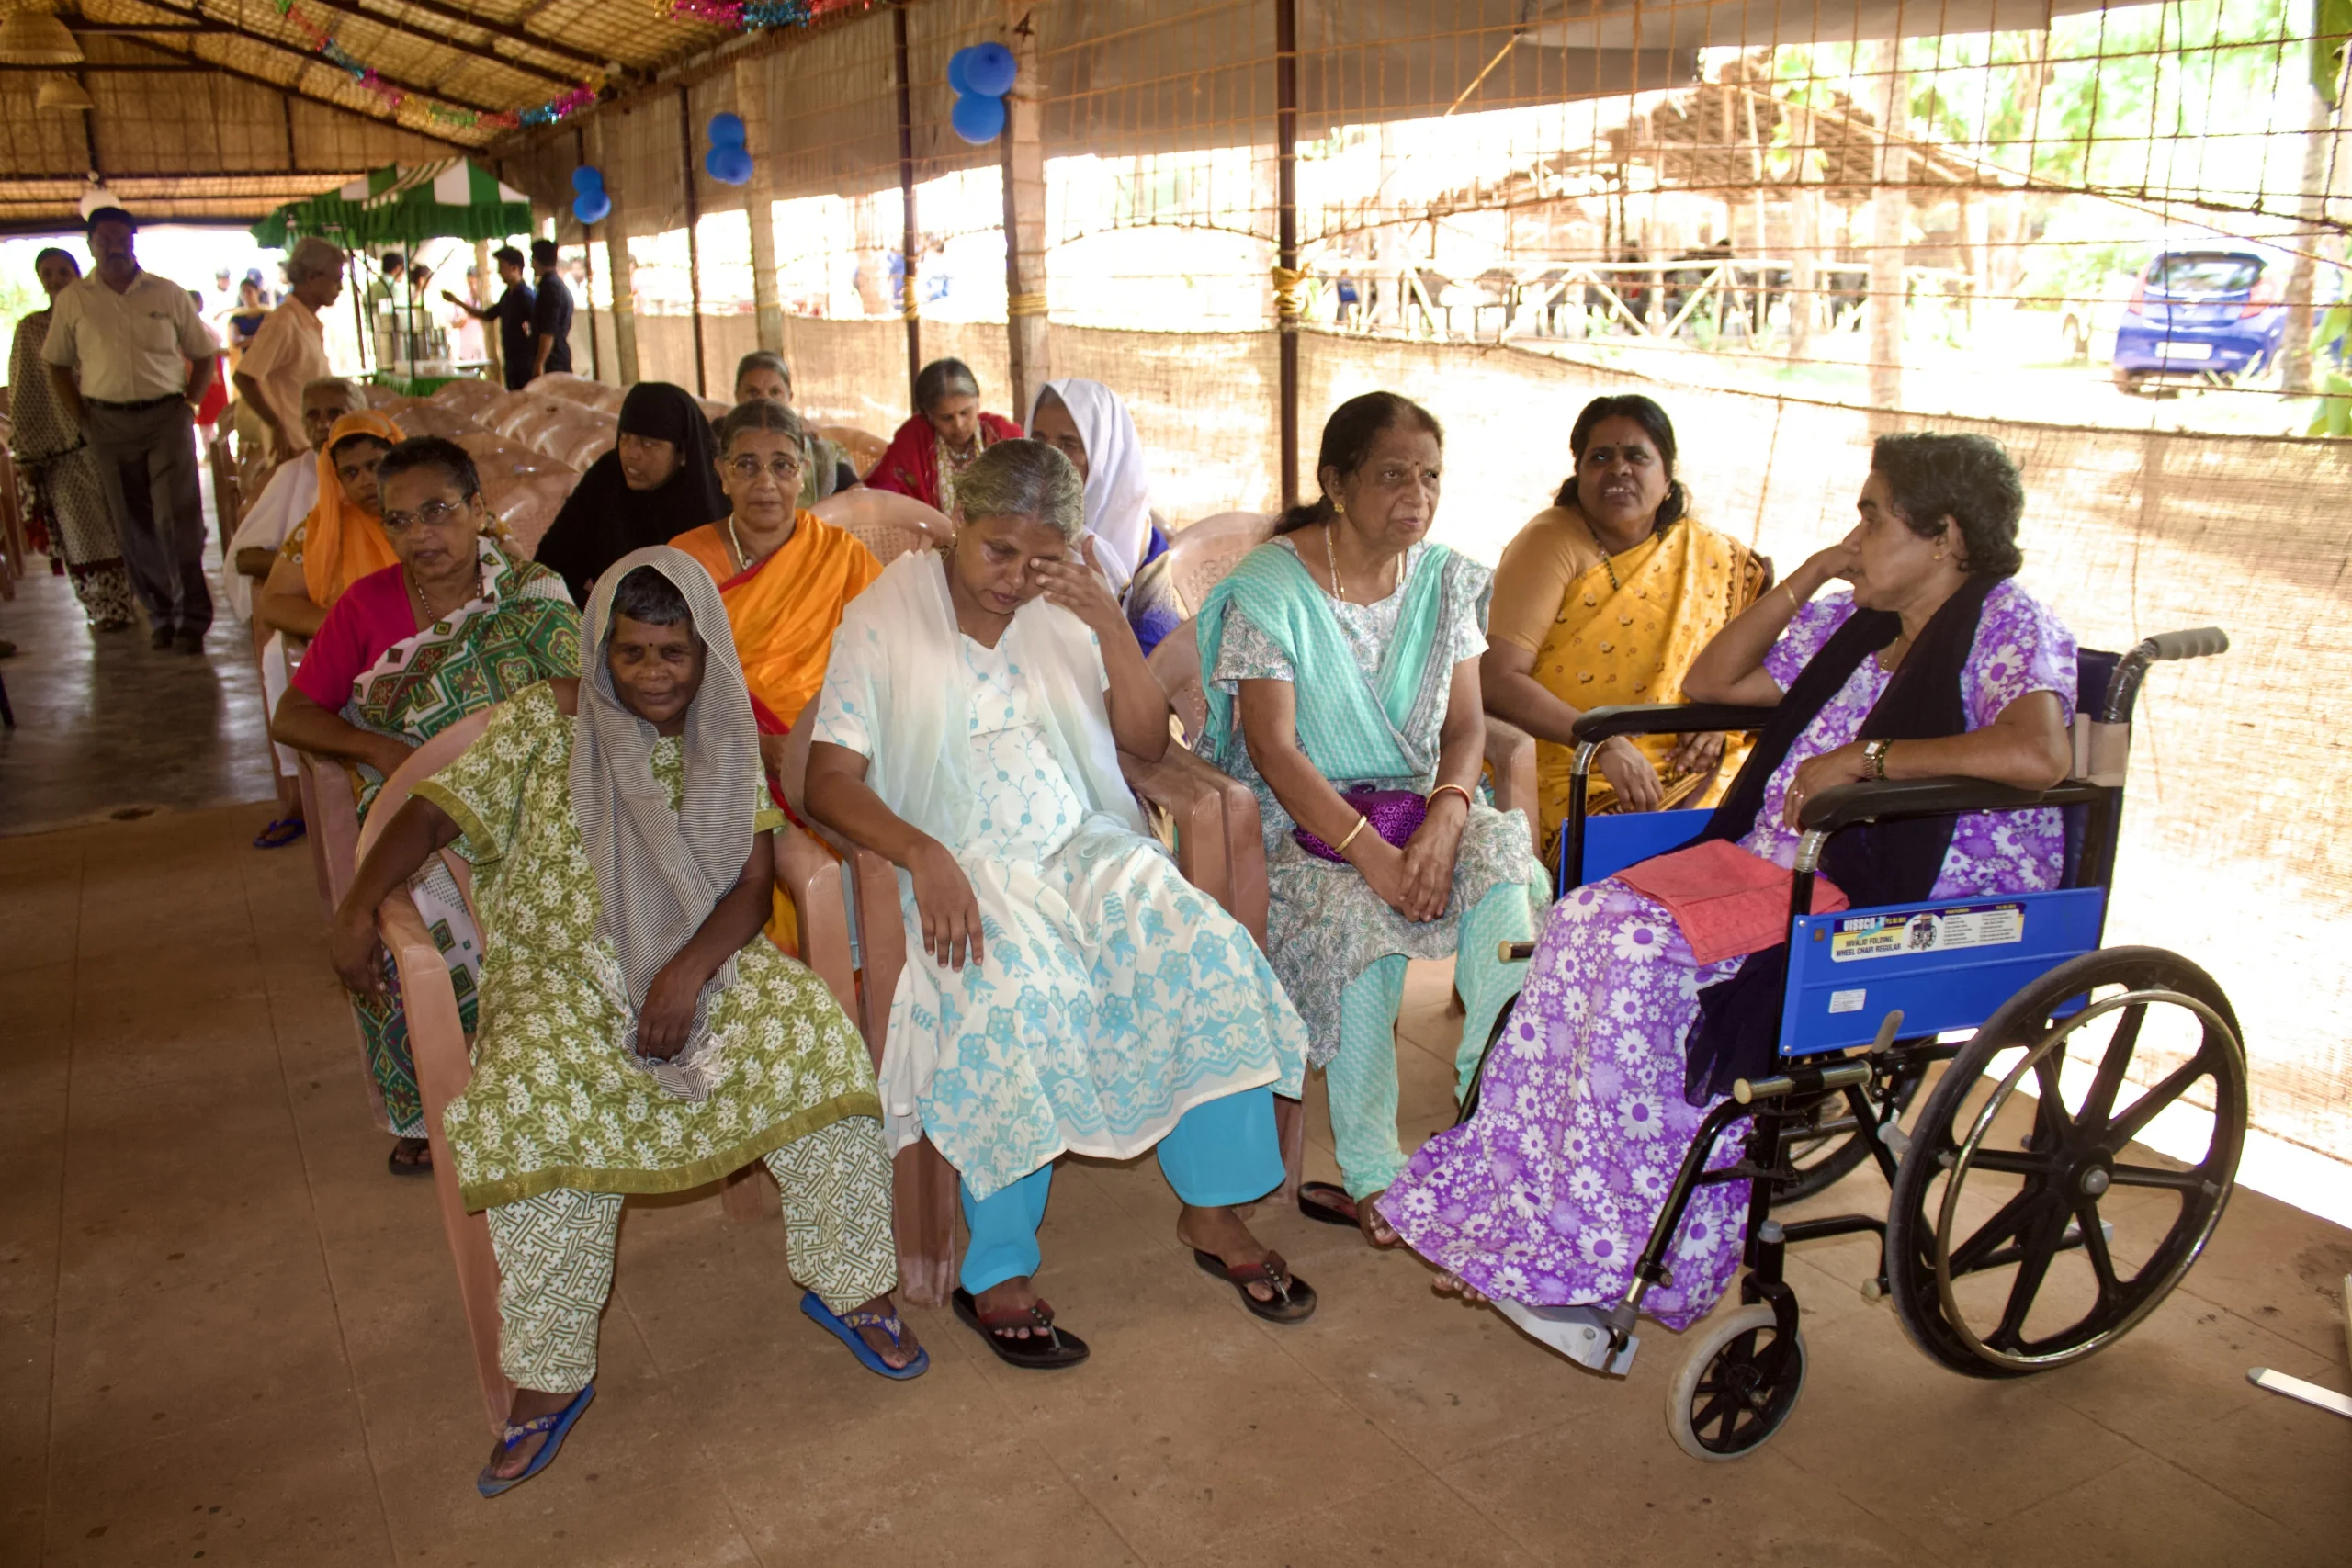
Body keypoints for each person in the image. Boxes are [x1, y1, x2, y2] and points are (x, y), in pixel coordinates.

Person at [1382, 433, 2076, 1348]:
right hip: (1781, 860)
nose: (1855, 535)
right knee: (1581, 921)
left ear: (1944, 536)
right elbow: (1712, 680)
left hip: (1902, 886)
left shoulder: (2006, 623)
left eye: (1871, 518)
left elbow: (2037, 752)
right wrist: (1817, 573)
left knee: (1636, 958)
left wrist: (1864, 759)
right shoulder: (1857, 627)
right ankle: (1531, 1218)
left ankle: (1619, 1259)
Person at [329, 549, 922, 1496]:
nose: (653, 674)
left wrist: (687, 972)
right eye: (632, 652)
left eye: (674, 653)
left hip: (705, 956)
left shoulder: (724, 730)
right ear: (600, 647)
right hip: (558, 970)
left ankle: (851, 1281)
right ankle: (550, 1372)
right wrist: (359, 905)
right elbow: (433, 815)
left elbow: (751, 885)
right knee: (532, 1106)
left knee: (816, 1043)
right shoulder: (545, 723)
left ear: (707, 652)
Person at [805, 439, 1316, 1367]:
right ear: (957, 521)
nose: (1014, 578)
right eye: (997, 550)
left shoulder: (1065, 612)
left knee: (1205, 951)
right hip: (958, 862)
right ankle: (996, 1264)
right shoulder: (885, 617)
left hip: (1080, 841)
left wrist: (1107, 621)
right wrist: (924, 854)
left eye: (1040, 559)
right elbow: (827, 779)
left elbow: (1140, 743)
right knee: (1012, 996)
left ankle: (1211, 1207)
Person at [1195, 391, 1549, 1245]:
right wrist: (1373, 856)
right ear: (1337, 483)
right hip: (1301, 821)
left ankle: (1493, 1115)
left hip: (1423, 806)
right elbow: (1274, 749)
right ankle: (1373, 1170)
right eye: (1394, 475)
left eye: (1430, 477)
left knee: (1504, 868)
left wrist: (1446, 819)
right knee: (1356, 924)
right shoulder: (1270, 589)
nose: (1417, 497)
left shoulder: (1444, 579)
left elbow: (1466, 730)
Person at [272, 437, 580, 1174]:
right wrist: (379, 750)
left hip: (532, 796)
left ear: (478, 509)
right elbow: (292, 714)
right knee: (408, 909)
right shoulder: (366, 604)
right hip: (411, 809)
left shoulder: (533, 592)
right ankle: (426, 1101)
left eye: (438, 511)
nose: (420, 535)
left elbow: (583, 702)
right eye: (400, 520)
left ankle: (565, 1075)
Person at [1483, 394, 1770, 863]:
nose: (1619, 468)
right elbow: (1496, 678)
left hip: (1690, 757)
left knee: (1768, 802)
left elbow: (1763, 662)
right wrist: (1601, 742)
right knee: (1618, 839)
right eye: (1600, 457)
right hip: (1565, 755)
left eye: (1637, 456)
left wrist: (1723, 720)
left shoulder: (1712, 556)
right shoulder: (1552, 540)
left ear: (1667, 476)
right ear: (1578, 473)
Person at [669, 400, 881, 789]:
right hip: (723, 755)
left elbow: (887, 658)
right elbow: (662, 682)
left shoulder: (841, 555)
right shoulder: (685, 561)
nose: (765, 483)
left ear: (803, 473)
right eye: (747, 465)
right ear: (723, 473)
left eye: (782, 465)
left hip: (839, 748)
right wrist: (756, 746)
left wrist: (838, 745)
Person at [40, 206, 220, 653]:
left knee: (176, 519)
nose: (115, 248)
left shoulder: (167, 293)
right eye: (105, 240)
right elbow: (57, 364)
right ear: (91, 245)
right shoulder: (74, 300)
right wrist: (83, 418)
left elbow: (204, 354)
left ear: (133, 241)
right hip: (107, 421)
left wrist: (189, 405)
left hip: (166, 417)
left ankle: (192, 620)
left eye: (122, 239)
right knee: (133, 524)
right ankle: (160, 616)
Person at [8, 246, 133, 630]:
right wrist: (29, 454)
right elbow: (25, 390)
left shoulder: (102, 318)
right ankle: (105, 609)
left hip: (113, 440)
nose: (56, 280)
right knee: (84, 532)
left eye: (64, 271)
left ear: (78, 275)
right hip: (62, 451)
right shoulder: (31, 329)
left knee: (126, 523)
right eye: (47, 273)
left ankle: (137, 598)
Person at [534, 382, 725, 604]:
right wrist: (600, 614)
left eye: (647, 444)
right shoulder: (607, 477)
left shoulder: (710, 498)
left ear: (683, 453)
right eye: (624, 438)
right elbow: (551, 568)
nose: (630, 453)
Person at [255, 409, 403, 640]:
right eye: (351, 472)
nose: (365, 480)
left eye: (374, 466)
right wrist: (344, 628)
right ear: (338, 479)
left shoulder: (433, 519)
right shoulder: (322, 531)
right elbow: (274, 602)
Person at [1023, 378, 1162, 599]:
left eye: (1068, 444)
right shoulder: (1014, 519)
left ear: (1104, 454)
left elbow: (1160, 621)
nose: (1048, 456)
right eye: (1038, 441)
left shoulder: (1145, 545)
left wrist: (1101, 608)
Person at [231, 235, 345, 499]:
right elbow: (244, 377)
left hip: (311, 447)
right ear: (312, 277)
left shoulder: (305, 320)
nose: (339, 287)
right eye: (335, 279)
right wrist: (277, 427)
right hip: (295, 451)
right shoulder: (284, 321)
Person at [865, 356, 1021, 513]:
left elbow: (1030, 490)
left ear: (977, 403)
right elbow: (882, 492)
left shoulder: (1002, 434)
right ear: (929, 415)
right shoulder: (914, 438)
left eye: (965, 412)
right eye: (946, 418)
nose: (958, 425)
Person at [732, 350, 856, 504]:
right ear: (737, 396)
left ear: (789, 397)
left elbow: (857, 499)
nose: (764, 401)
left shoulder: (820, 451)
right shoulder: (720, 449)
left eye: (775, 392)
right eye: (753, 392)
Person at [445, 248, 534, 391]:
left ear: (514, 268)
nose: (499, 272)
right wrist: (457, 301)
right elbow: (488, 315)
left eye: (502, 267)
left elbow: (537, 328)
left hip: (525, 362)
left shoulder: (526, 297)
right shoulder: (507, 296)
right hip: (511, 360)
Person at [528, 239, 573, 382]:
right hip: (557, 357)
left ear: (536, 261)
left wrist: (539, 363)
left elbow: (548, 332)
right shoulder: (557, 285)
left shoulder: (550, 288)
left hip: (553, 361)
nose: (531, 264)